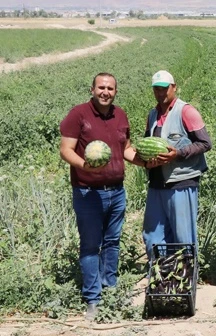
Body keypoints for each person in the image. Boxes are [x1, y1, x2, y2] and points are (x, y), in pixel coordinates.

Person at [59, 73, 145, 320]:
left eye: (110, 88)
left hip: (116, 191)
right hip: (88, 192)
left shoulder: (120, 115)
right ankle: (93, 298)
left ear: (115, 91)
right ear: (92, 89)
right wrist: (85, 166)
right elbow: (66, 150)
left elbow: (125, 149)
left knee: (112, 243)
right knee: (90, 246)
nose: (105, 92)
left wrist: (146, 162)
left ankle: (110, 290)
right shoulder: (79, 114)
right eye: (101, 87)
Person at [141, 70, 212, 259]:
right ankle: (160, 276)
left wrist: (178, 154)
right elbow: (146, 143)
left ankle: (185, 279)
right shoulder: (152, 115)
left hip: (181, 182)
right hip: (156, 183)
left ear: (174, 87)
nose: (160, 93)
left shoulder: (186, 111)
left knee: (183, 237)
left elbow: (205, 143)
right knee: (152, 235)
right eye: (156, 89)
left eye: (164, 88)